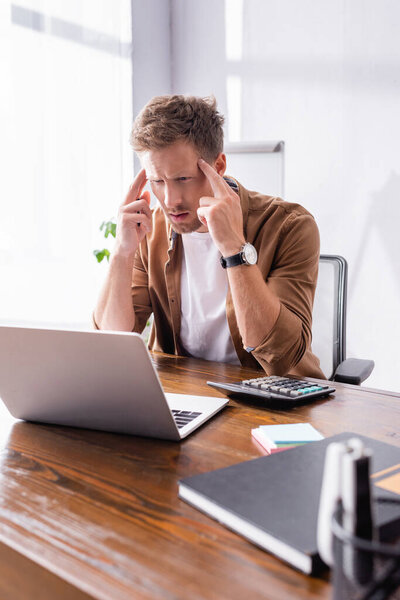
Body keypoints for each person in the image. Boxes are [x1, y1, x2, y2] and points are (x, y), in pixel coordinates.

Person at [94, 95, 324, 378]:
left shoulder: (290, 225)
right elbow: (112, 343)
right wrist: (122, 251)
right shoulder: (150, 231)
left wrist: (233, 247)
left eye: (183, 179)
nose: (170, 200)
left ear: (218, 167)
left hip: (274, 402)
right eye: (157, 181)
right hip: (187, 397)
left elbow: (282, 356)